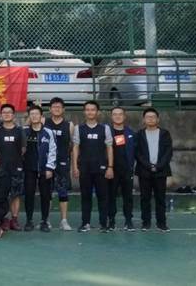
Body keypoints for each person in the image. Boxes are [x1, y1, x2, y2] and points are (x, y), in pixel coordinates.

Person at [72, 100, 114, 233]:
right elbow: (75, 148)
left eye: (93, 109)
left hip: (101, 168)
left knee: (103, 197)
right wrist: (75, 166)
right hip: (84, 168)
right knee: (86, 197)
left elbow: (109, 147)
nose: (90, 112)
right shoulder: (78, 128)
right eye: (88, 110)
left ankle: (103, 224)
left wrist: (110, 166)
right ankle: (85, 223)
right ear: (84, 112)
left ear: (98, 112)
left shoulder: (105, 128)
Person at [135, 108, 173, 232]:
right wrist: (148, 165)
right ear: (143, 120)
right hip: (144, 171)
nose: (150, 119)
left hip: (161, 171)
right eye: (148, 117)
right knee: (144, 198)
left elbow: (168, 152)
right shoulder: (139, 134)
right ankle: (145, 223)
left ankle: (161, 223)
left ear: (158, 119)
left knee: (160, 198)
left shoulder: (165, 133)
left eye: (153, 117)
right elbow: (137, 153)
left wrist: (158, 166)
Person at [0, 103, 25, 231]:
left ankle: (14, 219)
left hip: (16, 167)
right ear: (1, 115)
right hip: (1, 168)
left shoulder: (19, 131)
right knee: (2, 195)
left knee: (15, 195)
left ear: (13, 115)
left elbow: (23, 149)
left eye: (9, 112)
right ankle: (4, 219)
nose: (6, 114)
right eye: (4, 112)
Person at [23, 106, 56, 232]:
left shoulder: (48, 132)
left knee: (45, 196)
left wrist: (49, 167)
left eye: (36, 114)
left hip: (44, 169)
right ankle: (29, 220)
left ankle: (44, 221)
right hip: (28, 169)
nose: (34, 116)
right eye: (32, 114)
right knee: (29, 195)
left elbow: (53, 150)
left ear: (41, 116)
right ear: (29, 117)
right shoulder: (24, 131)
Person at [46, 97, 75, 230]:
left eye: (59, 107)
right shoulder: (44, 122)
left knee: (63, 193)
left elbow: (72, 146)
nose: (56, 109)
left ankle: (64, 220)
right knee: (47, 192)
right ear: (50, 109)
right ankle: (46, 220)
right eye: (54, 106)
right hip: (48, 163)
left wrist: (73, 165)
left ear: (63, 109)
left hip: (62, 162)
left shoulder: (69, 125)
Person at [108, 106, 136, 231]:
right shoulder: (106, 132)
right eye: (115, 114)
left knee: (128, 197)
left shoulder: (131, 133)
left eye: (120, 114)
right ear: (111, 116)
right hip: (111, 170)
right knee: (111, 197)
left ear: (124, 116)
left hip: (127, 170)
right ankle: (111, 221)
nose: (118, 116)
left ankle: (128, 221)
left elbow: (135, 152)